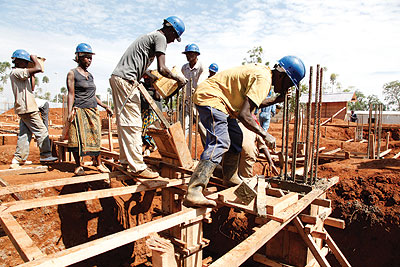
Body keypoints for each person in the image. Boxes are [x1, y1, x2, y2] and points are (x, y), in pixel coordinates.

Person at [183, 55, 306, 208]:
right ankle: (194, 190)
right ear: (283, 75)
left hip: (224, 104)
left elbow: (252, 104)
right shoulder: (264, 79)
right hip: (211, 98)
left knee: (236, 136)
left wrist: (277, 100)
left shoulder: (265, 75)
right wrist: (265, 134)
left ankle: (230, 176)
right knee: (220, 141)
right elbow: (245, 115)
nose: (288, 88)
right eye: (289, 83)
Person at [109, 16, 187, 178]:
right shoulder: (160, 37)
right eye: (174, 37)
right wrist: (177, 78)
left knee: (125, 123)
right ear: (171, 30)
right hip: (127, 80)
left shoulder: (149, 37)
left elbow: (146, 68)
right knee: (134, 123)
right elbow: (163, 67)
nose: (173, 41)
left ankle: (125, 161)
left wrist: (152, 77)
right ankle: (137, 166)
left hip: (120, 78)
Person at [66, 43, 113, 176]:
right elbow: (71, 93)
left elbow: (93, 95)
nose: (89, 60)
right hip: (79, 110)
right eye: (87, 57)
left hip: (92, 110)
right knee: (77, 138)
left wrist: (105, 106)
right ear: (79, 57)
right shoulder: (72, 73)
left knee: (95, 137)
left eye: (91, 58)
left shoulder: (90, 75)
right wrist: (69, 113)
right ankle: (78, 166)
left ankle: (98, 164)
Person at [9, 49, 58, 168]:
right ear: (18, 61)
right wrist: (35, 59)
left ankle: (19, 158)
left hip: (25, 108)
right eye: (25, 62)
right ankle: (45, 155)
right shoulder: (17, 72)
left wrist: (32, 73)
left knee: (25, 134)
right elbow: (39, 68)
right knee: (42, 131)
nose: (26, 64)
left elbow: (32, 87)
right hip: (28, 108)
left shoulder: (21, 74)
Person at [180, 43, 205, 137]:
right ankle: (182, 150)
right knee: (183, 128)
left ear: (196, 55)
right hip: (186, 103)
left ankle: (209, 150)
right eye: (187, 54)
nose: (188, 56)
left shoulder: (202, 67)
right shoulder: (184, 68)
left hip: (198, 104)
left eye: (191, 54)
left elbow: (201, 84)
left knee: (203, 130)